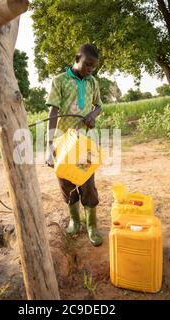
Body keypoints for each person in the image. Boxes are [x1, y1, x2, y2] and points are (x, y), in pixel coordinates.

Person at [45, 44, 103, 247]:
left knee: (87, 182)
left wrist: (92, 116)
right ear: (77, 58)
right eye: (87, 64)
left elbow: (99, 106)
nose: (90, 69)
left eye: (93, 67)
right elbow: (52, 113)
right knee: (66, 183)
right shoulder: (59, 81)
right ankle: (74, 221)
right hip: (62, 142)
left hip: (84, 143)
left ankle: (92, 226)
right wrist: (49, 146)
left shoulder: (92, 82)